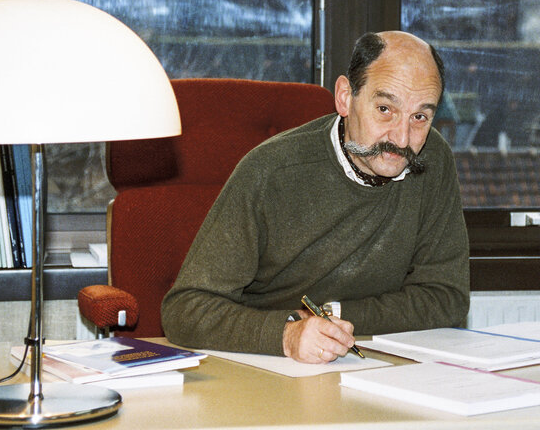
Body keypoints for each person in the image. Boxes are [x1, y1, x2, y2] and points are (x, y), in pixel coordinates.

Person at [161, 30, 469, 363]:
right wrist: (287, 334)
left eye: (420, 117)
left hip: (366, 360)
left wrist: (330, 316)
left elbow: (446, 298)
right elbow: (185, 309)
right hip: (263, 362)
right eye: (384, 109)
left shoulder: (433, 159)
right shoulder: (271, 171)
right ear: (345, 98)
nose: (402, 137)